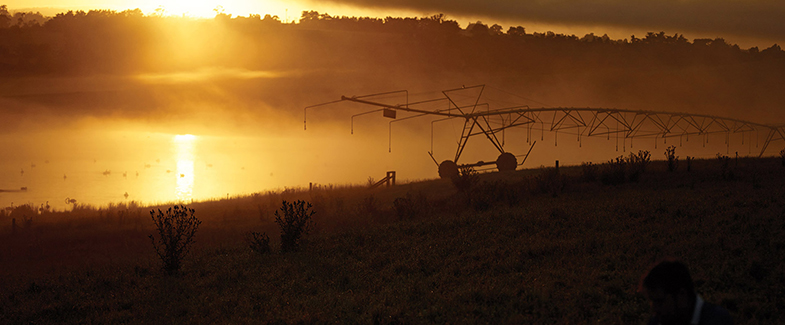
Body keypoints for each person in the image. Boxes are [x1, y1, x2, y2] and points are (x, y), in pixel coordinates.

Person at [641, 259, 733, 325]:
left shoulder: (717, 320)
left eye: (660, 302)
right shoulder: (658, 321)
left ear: (682, 295)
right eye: (651, 301)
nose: (654, 309)